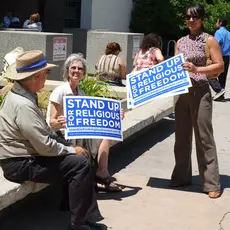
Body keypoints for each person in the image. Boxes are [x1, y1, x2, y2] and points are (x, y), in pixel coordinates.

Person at [0, 50, 103, 230]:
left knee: (75, 157)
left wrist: (68, 146)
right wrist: (72, 150)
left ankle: (73, 208)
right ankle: (79, 223)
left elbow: (44, 133)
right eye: (46, 73)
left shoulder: (21, 95)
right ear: (36, 76)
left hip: (22, 157)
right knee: (79, 163)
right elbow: (45, 146)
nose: (47, 76)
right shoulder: (23, 105)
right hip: (19, 163)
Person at [46, 53, 123, 192]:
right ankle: (94, 178)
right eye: (73, 67)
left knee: (106, 134)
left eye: (80, 69)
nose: (76, 71)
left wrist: (114, 115)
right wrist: (59, 121)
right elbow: (51, 123)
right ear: (67, 71)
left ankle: (101, 172)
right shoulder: (60, 91)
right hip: (61, 134)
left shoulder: (80, 93)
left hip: (78, 133)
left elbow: (93, 118)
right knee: (84, 145)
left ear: (84, 73)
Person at [169, 4, 224, 199]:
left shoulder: (209, 40)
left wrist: (197, 70)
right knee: (181, 137)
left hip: (200, 92)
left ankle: (211, 182)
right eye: (188, 17)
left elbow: (220, 66)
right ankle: (181, 176)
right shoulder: (180, 41)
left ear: (202, 19)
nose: (191, 20)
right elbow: (175, 65)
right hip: (181, 92)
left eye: (195, 17)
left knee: (204, 137)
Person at [209, 16, 230, 101]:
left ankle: (219, 90)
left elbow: (215, 44)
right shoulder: (228, 33)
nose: (216, 23)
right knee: (223, 76)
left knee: (210, 73)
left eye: (217, 22)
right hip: (227, 56)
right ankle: (221, 95)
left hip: (219, 56)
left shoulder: (218, 32)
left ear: (220, 23)